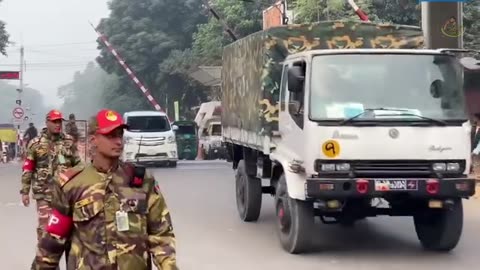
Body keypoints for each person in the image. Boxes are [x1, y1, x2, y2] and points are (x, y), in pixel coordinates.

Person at [32, 109, 178, 270]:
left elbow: (161, 235)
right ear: (94, 139)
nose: (118, 142)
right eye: (110, 135)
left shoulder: (143, 181)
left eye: (120, 135)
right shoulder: (72, 184)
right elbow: (51, 244)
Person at [21, 109, 82, 266]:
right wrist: (25, 191)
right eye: (54, 121)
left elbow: (78, 166)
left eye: (59, 122)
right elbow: (28, 167)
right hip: (44, 196)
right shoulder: (36, 144)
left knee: (71, 237)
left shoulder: (68, 142)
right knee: (47, 235)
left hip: (67, 197)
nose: (57, 125)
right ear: (47, 122)